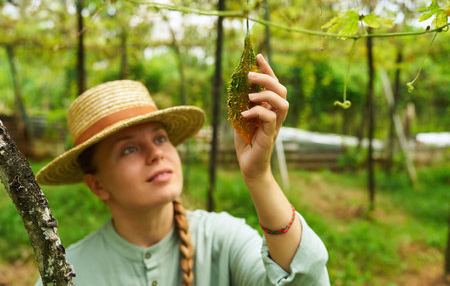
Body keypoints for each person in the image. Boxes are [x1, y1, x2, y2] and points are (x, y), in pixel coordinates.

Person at [35, 54, 329, 285]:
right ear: (97, 184)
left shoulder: (222, 239)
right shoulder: (69, 272)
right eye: (129, 149)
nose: (155, 154)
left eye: (160, 138)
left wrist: (259, 176)